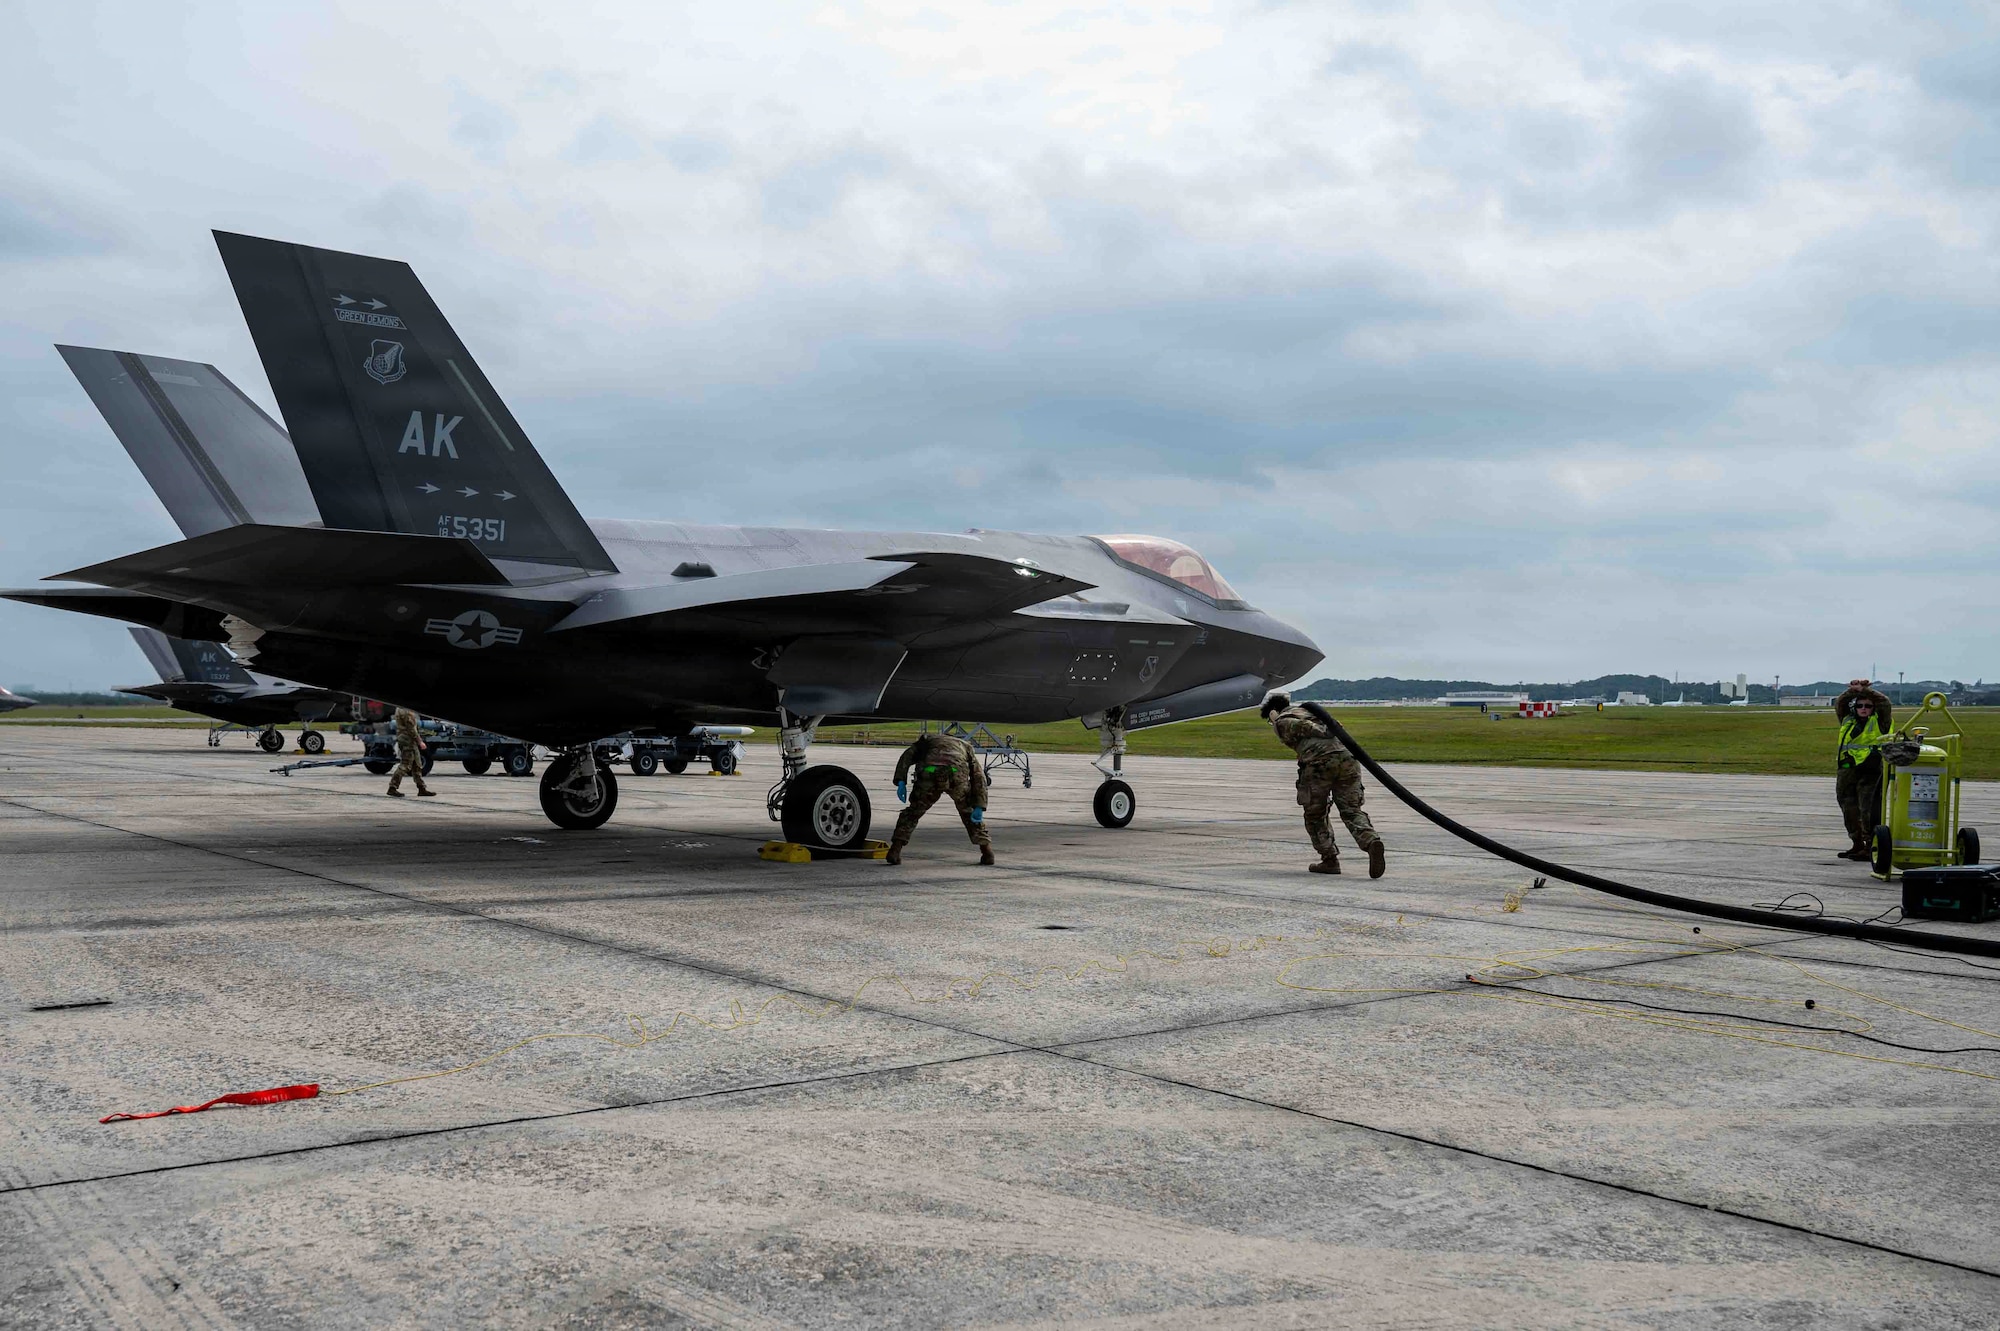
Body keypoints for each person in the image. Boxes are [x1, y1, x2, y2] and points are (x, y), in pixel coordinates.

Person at [1261, 693, 1385, 877]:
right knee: (1351, 810)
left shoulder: (1284, 720)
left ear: (1273, 712)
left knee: (1315, 814)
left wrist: (1277, 721)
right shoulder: (1311, 712)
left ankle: (1329, 860)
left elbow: (1304, 728)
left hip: (1319, 764)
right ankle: (1371, 841)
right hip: (1348, 761)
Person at [887, 731, 992, 866]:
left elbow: (907, 756)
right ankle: (987, 852)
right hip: (955, 771)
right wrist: (979, 805)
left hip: (930, 770)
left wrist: (901, 780)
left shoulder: (927, 739)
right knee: (969, 812)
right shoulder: (965, 746)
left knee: (913, 812)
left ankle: (895, 850)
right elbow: (978, 776)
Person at [1833, 679, 1892, 860]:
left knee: (1869, 808)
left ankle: (1871, 845)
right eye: (1860, 705)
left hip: (1871, 769)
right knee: (1847, 806)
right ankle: (1856, 842)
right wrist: (1852, 690)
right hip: (1848, 768)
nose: (1864, 708)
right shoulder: (1847, 719)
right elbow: (1840, 703)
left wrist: (1866, 690)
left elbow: (1885, 703)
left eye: (1868, 705)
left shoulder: (1880, 721)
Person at [386, 706, 434, 798]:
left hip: (406, 738)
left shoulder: (399, 708)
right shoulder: (406, 711)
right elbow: (411, 729)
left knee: (417, 765)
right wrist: (420, 741)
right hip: (408, 740)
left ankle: (421, 788)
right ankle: (392, 788)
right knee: (405, 765)